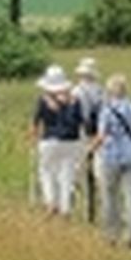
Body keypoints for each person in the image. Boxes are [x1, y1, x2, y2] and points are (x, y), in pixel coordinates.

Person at [90, 74, 131, 248]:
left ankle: (111, 234)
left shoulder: (106, 110)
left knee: (109, 196)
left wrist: (91, 149)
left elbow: (101, 135)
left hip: (110, 156)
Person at [31, 64, 84, 218]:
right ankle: (65, 208)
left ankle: (51, 201)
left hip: (50, 140)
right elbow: (81, 122)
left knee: (46, 172)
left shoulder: (43, 100)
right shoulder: (74, 100)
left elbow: (36, 122)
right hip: (71, 141)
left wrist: (33, 137)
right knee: (66, 175)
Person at [72, 56, 105, 220]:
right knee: (98, 172)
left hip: (82, 134)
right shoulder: (101, 91)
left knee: (82, 171)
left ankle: (86, 209)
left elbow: (76, 116)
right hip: (99, 134)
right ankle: (98, 207)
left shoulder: (77, 91)